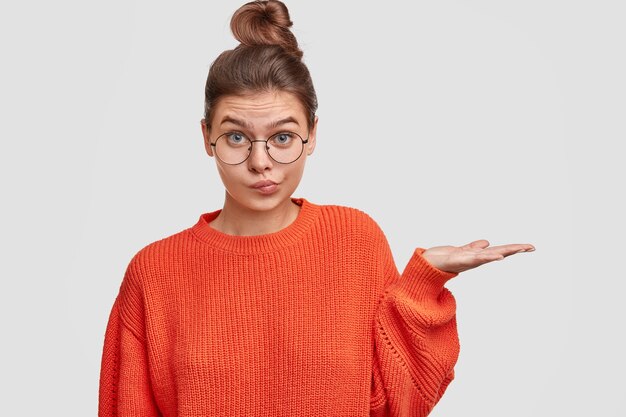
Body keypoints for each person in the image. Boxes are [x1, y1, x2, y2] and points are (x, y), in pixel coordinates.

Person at [97, 1, 535, 416]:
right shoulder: (153, 273)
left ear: (312, 135)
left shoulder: (355, 240)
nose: (260, 160)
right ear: (205, 136)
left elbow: (394, 404)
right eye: (236, 137)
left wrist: (424, 283)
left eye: (283, 137)